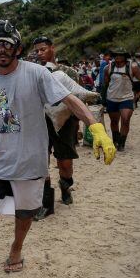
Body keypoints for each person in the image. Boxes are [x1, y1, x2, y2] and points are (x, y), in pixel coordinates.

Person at [0, 20, 116, 278]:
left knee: (24, 215)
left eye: (7, 44)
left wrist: (95, 126)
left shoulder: (37, 74)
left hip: (29, 162)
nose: (1, 49)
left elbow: (70, 99)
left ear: (18, 48)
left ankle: (16, 249)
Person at [32, 36, 98, 218]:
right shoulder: (34, 72)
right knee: (40, 162)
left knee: (65, 162)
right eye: (37, 51)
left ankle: (65, 185)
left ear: (53, 48)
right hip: (40, 123)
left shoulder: (68, 73)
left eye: (43, 49)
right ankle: (46, 204)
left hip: (66, 124)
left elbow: (78, 99)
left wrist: (77, 125)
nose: (39, 53)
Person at [102, 48, 140, 150]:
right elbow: (105, 84)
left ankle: (121, 143)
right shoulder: (108, 68)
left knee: (125, 119)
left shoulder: (133, 67)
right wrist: (103, 99)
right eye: (116, 55)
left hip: (126, 98)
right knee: (114, 121)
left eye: (121, 55)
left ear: (125, 56)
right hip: (112, 98)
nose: (118, 56)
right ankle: (115, 140)